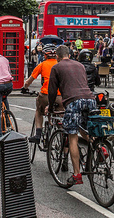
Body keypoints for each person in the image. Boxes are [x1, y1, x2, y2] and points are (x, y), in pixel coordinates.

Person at [47, 45, 97, 186]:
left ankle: (76, 174)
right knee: (86, 130)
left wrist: (50, 107)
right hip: (90, 99)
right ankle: (100, 148)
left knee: (72, 137)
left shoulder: (56, 67)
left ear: (57, 56)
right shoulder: (80, 65)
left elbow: (52, 91)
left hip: (74, 101)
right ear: (69, 54)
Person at [23, 44, 61, 144]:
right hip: (60, 96)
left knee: (39, 111)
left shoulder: (42, 65)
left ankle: (38, 135)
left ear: (45, 55)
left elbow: (29, 81)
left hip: (46, 94)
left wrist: (24, 88)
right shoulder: (60, 64)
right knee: (60, 114)